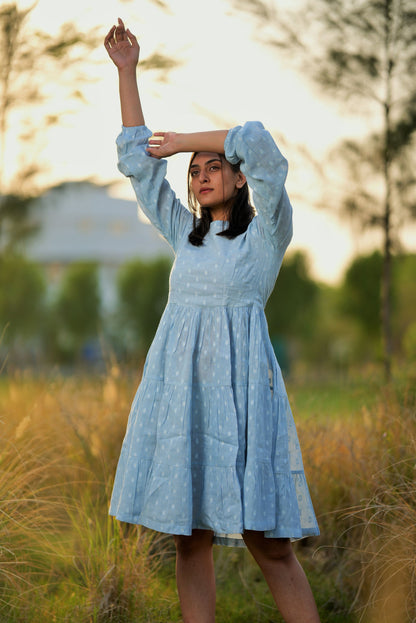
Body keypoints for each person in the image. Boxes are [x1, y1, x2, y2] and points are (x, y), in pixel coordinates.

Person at [104, 18, 321, 623]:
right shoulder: (184, 236)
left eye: (213, 166)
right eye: (195, 170)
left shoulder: (267, 235)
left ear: (239, 175)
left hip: (246, 398)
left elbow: (257, 138)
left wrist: (183, 140)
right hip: (182, 398)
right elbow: (138, 163)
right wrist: (128, 72)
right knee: (188, 537)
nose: (201, 175)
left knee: (270, 542)